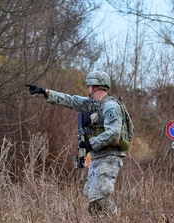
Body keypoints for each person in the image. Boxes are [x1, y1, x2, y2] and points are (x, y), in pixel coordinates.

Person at [26, 71, 128, 215]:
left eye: (89, 86)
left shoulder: (110, 107)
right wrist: (46, 92)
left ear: (93, 87)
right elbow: (70, 100)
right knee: (89, 193)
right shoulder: (93, 104)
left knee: (98, 196)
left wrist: (91, 143)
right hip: (97, 155)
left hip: (110, 156)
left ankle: (117, 217)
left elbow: (114, 133)